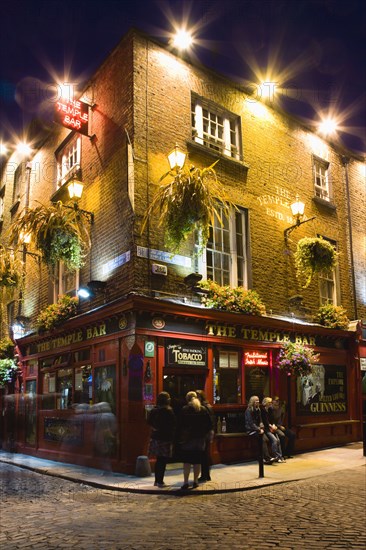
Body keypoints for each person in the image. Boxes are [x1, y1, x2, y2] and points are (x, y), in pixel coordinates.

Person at [178, 391, 212, 489]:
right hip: (200, 439)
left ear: (187, 399)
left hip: (188, 440)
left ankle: (185, 482)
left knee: (187, 462)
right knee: (197, 462)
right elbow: (209, 425)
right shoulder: (202, 409)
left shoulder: (184, 409)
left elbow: (180, 424)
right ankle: (196, 481)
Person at [147, 391, 176, 488]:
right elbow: (173, 424)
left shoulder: (154, 410)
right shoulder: (168, 410)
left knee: (158, 459)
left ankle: (157, 480)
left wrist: (155, 428)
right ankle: (160, 481)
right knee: (162, 460)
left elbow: (148, 422)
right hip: (165, 438)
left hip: (155, 437)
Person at [245, 395, 276, 465]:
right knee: (262, 439)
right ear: (253, 402)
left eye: (258, 401)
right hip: (251, 430)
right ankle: (266, 458)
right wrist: (259, 429)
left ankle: (264, 457)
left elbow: (260, 420)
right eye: (256, 401)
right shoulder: (249, 410)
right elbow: (251, 423)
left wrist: (261, 425)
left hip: (258, 429)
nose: (258, 402)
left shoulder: (258, 409)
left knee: (266, 439)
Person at [196, 389, 215, 482]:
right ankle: (206, 475)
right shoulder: (208, 406)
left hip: (204, 433)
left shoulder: (203, 407)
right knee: (205, 454)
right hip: (208, 432)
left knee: (203, 455)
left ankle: (204, 475)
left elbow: (208, 421)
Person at [261, 397, 286, 462]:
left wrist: (274, 425)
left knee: (278, 440)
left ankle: (280, 457)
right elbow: (265, 422)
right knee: (274, 440)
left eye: (271, 402)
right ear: (266, 403)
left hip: (272, 427)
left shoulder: (270, 410)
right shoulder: (263, 410)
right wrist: (271, 426)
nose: (270, 404)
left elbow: (272, 420)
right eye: (269, 402)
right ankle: (276, 456)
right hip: (267, 429)